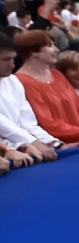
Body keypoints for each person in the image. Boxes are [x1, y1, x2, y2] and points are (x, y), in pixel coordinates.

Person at [12, 31, 79, 149]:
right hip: (57, 149)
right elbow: (47, 122)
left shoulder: (57, 74)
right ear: (33, 52)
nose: (56, 49)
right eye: (50, 45)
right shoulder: (22, 81)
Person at [0, 33, 59, 164]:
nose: (12, 64)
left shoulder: (13, 81)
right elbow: (2, 123)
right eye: (6, 59)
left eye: (13, 59)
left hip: (18, 147)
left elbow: (27, 122)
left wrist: (52, 143)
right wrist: (29, 142)